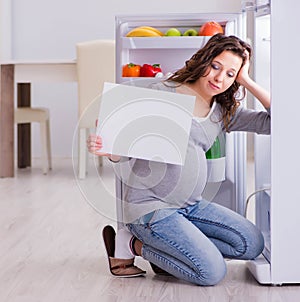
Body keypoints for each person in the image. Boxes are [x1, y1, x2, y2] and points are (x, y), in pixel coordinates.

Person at [87, 33, 270, 285]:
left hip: (190, 206)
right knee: (211, 273)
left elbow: (276, 120)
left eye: (230, 74)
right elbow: (124, 149)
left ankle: (171, 251)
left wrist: (247, 80)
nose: (219, 78)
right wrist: (109, 149)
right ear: (204, 60)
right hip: (150, 207)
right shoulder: (164, 92)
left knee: (251, 243)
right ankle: (131, 245)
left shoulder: (223, 110)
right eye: (216, 66)